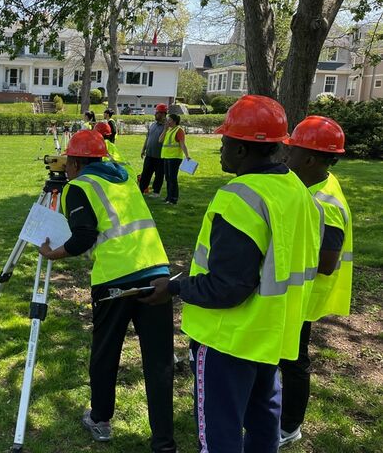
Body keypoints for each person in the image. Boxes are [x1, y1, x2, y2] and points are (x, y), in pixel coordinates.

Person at [140, 95, 323, 453]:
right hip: (271, 334)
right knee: (263, 422)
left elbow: (227, 287)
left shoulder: (239, 197)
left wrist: (175, 288)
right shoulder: (298, 191)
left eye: (225, 142)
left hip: (227, 339)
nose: (220, 150)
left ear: (241, 149)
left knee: (219, 434)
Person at [39, 129, 176, 452]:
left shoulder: (78, 187)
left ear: (75, 163)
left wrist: (53, 253)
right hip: (157, 272)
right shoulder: (125, 178)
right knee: (159, 362)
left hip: (115, 280)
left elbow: (83, 236)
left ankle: (100, 418)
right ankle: (164, 442)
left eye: (68, 163)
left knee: (106, 352)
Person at [279, 116, 353, 447]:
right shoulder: (314, 185)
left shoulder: (326, 204)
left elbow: (326, 263)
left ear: (309, 159)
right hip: (295, 292)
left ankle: (289, 426)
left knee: (294, 361)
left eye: (292, 150)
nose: (286, 155)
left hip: (305, 296)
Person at [158, 113, 191, 205]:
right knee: (168, 178)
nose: (167, 122)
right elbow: (160, 140)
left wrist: (187, 155)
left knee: (172, 178)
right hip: (166, 156)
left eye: (169, 120)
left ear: (174, 121)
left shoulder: (179, 130)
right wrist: (165, 130)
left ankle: (173, 198)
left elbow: (182, 144)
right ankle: (168, 197)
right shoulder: (168, 130)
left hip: (175, 158)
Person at [139, 103, 167, 197]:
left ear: (163, 114)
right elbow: (147, 138)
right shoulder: (153, 125)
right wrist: (143, 149)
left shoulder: (167, 127)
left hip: (160, 156)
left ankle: (156, 192)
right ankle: (141, 189)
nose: (155, 114)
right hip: (149, 155)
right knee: (145, 173)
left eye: (157, 113)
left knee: (159, 175)